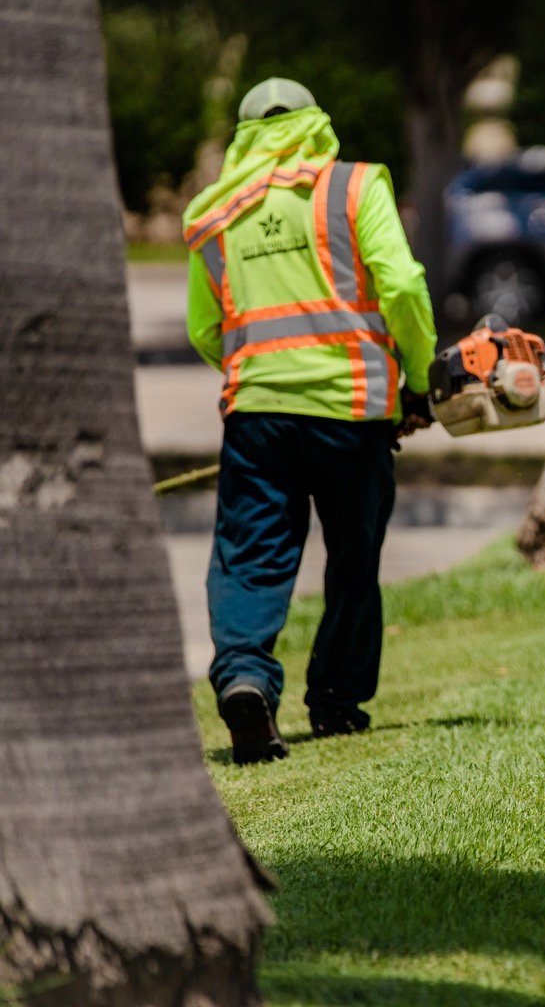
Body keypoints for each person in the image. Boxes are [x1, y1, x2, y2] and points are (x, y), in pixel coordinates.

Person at [183, 77, 437, 765]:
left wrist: (259, 372)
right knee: (353, 559)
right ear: (315, 122)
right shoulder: (352, 187)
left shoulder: (215, 215)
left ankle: (244, 677)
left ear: (242, 135)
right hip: (352, 412)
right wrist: (416, 380)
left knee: (249, 556)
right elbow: (404, 285)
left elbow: (206, 329)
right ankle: (335, 702)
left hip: (257, 415)